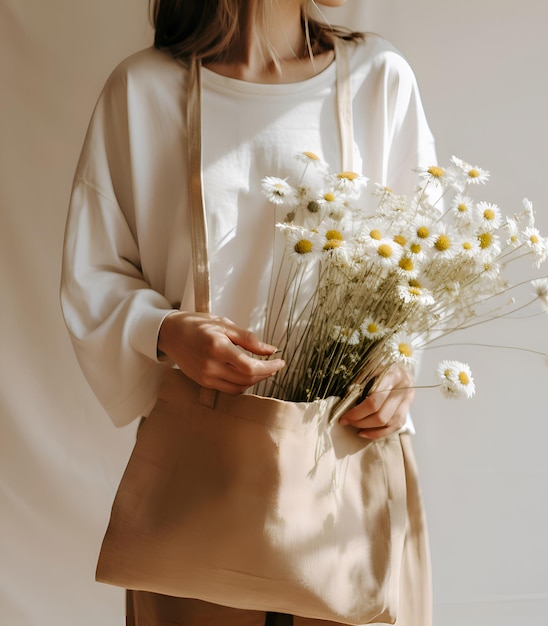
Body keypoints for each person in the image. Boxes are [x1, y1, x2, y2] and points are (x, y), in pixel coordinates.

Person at [61, 1, 436, 624]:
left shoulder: (379, 79)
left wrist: (399, 364)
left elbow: (418, 263)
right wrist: (168, 332)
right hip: (204, 480)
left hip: (351, 457)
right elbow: (91, 270)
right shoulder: (143, 91)